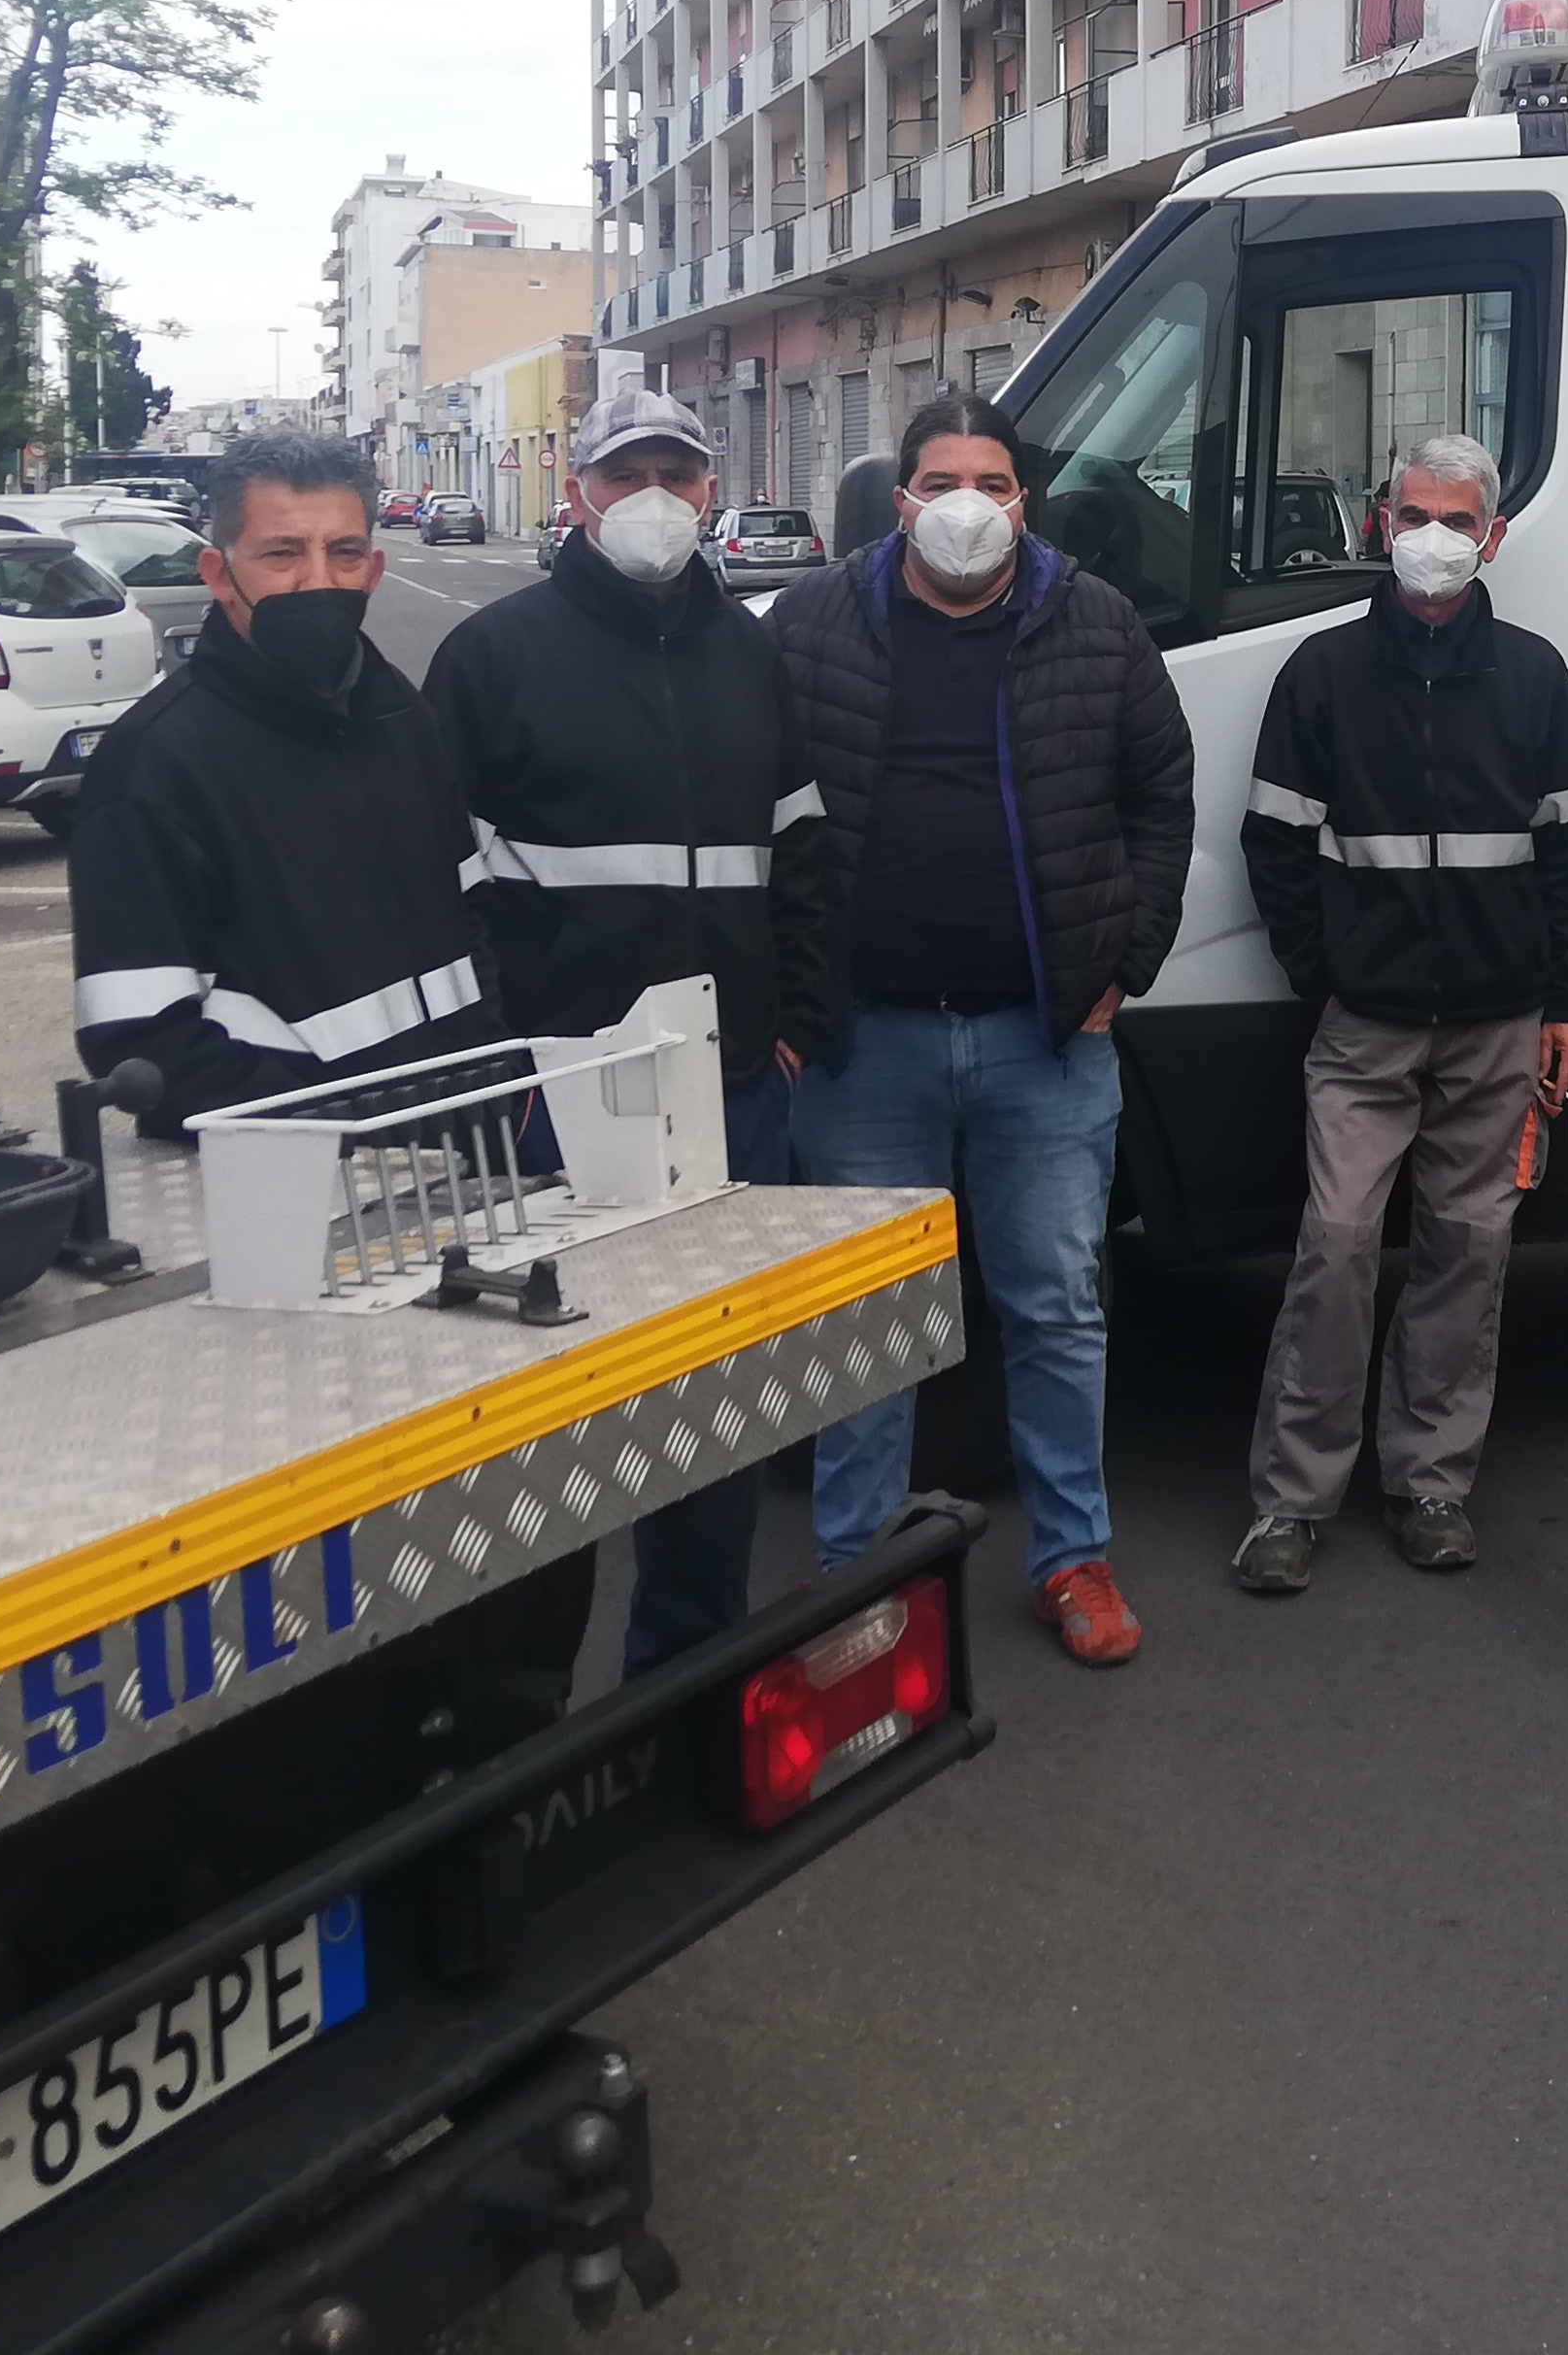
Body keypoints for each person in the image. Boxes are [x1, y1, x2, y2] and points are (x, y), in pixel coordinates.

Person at [768, 385, 1195, 1666]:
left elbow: (1159, 794)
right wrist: (787, 996)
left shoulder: (1096, 623)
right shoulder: (809, 623)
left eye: (993, 485)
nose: (968, 506)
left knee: (1056, 1308)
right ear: (898, 502)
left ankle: (1074, 1560)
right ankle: (853, 1580)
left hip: (1042, 1040)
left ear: (1026, 502)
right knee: (866, 1323)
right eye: (941, 481)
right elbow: (755, 813)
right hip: (864, 1046)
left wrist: (1126, 960)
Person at [425, 383, 824, 1674]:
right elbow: (445, 882)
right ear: (579, 495)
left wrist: (794, 1019)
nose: (656, 498)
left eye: (679, 474)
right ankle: (520, 1697)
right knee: (548, 1401)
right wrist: (515, 1057)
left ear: (709, 493)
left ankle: (687, 1668)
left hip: (731, 1088)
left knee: (708, 1392)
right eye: (626, 474)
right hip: (566, 1096)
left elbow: (806, 846)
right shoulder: (494, 659)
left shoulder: (757, 655)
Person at [1229, 433, 1568, 1589]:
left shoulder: (1536, 677)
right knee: (1336, 1246)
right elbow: (1275, 846)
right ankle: (1291, 1504)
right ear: (1379, 525)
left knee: (1468, 1250)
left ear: (1491, 539)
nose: (1432, 540)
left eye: (1455, 521)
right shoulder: (1322, 676)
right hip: (1366, 1023)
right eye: (1413, 516)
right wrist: (1324, 972)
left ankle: (1432, 1484)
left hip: (1499, 1022)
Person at [68, 427, 512, 1126]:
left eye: (343, 553)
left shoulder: (400, 712)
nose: (318, 581)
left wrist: (495, 1076)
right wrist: (346, 1129)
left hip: (472, 1140)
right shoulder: (154, 766)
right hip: (315, 1179)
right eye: (282, 554)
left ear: (374, 567)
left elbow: (472, 920)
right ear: (218, 575)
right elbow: (144, 1042)